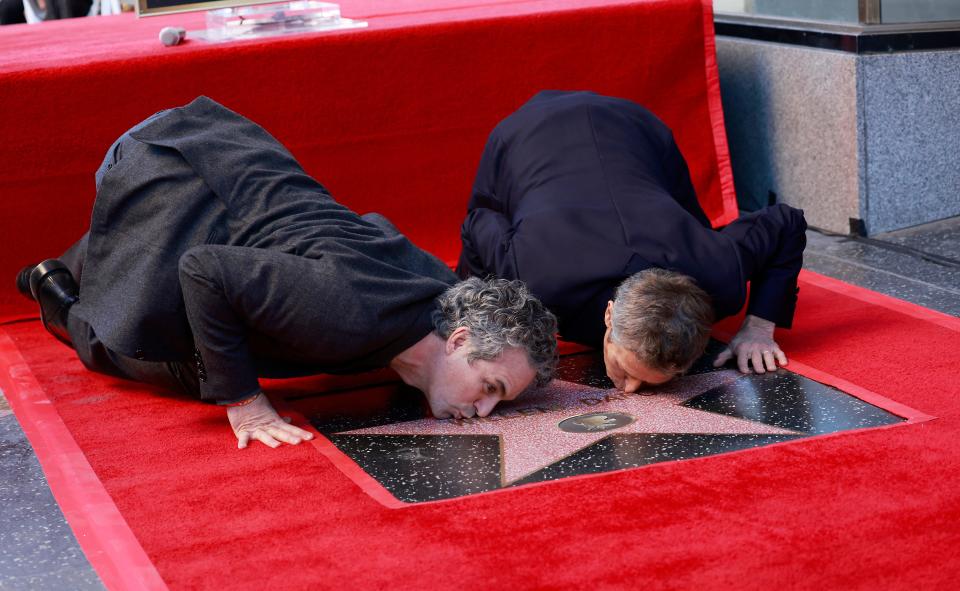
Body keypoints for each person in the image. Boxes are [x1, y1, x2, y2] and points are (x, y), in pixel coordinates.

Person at [16, 96, 558, 449]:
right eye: (490, 387)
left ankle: (91, 260)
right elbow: (204, 271)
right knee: (160, 352)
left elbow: (375, 224)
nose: (486, 411)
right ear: (458, 337)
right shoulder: (347, 312)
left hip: (226, 160)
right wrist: (244, 402)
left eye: (497, 401)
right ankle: (57, 297)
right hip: (168, 166)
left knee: (207, 315)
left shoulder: (440, 298)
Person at [458, 90, 806, 392]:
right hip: (529, 135)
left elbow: (787, 223)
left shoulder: (718, 272)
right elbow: (480, 221)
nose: (627, 390)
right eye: (625, 369)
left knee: (687, 215)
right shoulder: (531, 273)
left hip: (634, 132)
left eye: (646, 381)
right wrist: (473, 317)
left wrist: (759, 326)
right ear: (610, 316)